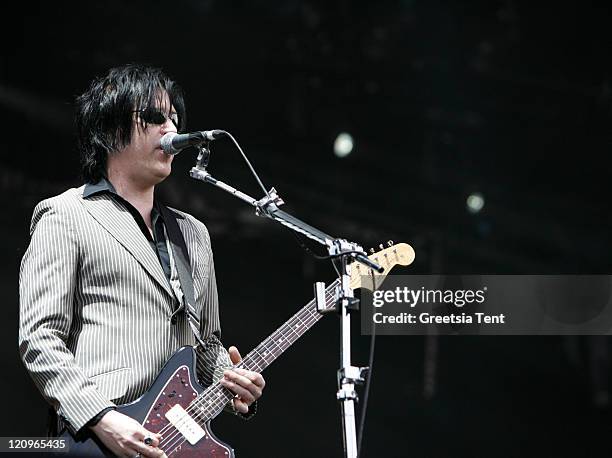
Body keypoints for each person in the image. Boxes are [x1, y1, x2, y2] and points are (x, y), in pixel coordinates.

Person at [18, 64, 265, 458]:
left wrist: (232, 381)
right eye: (154, 117)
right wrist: (101, 418)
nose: (171, 129)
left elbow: (207, 345)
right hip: (99, 437)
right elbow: (40, 339)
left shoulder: (194, 235)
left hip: (176, 442)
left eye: (175, 118)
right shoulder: (65, 215)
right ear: (110, 128)